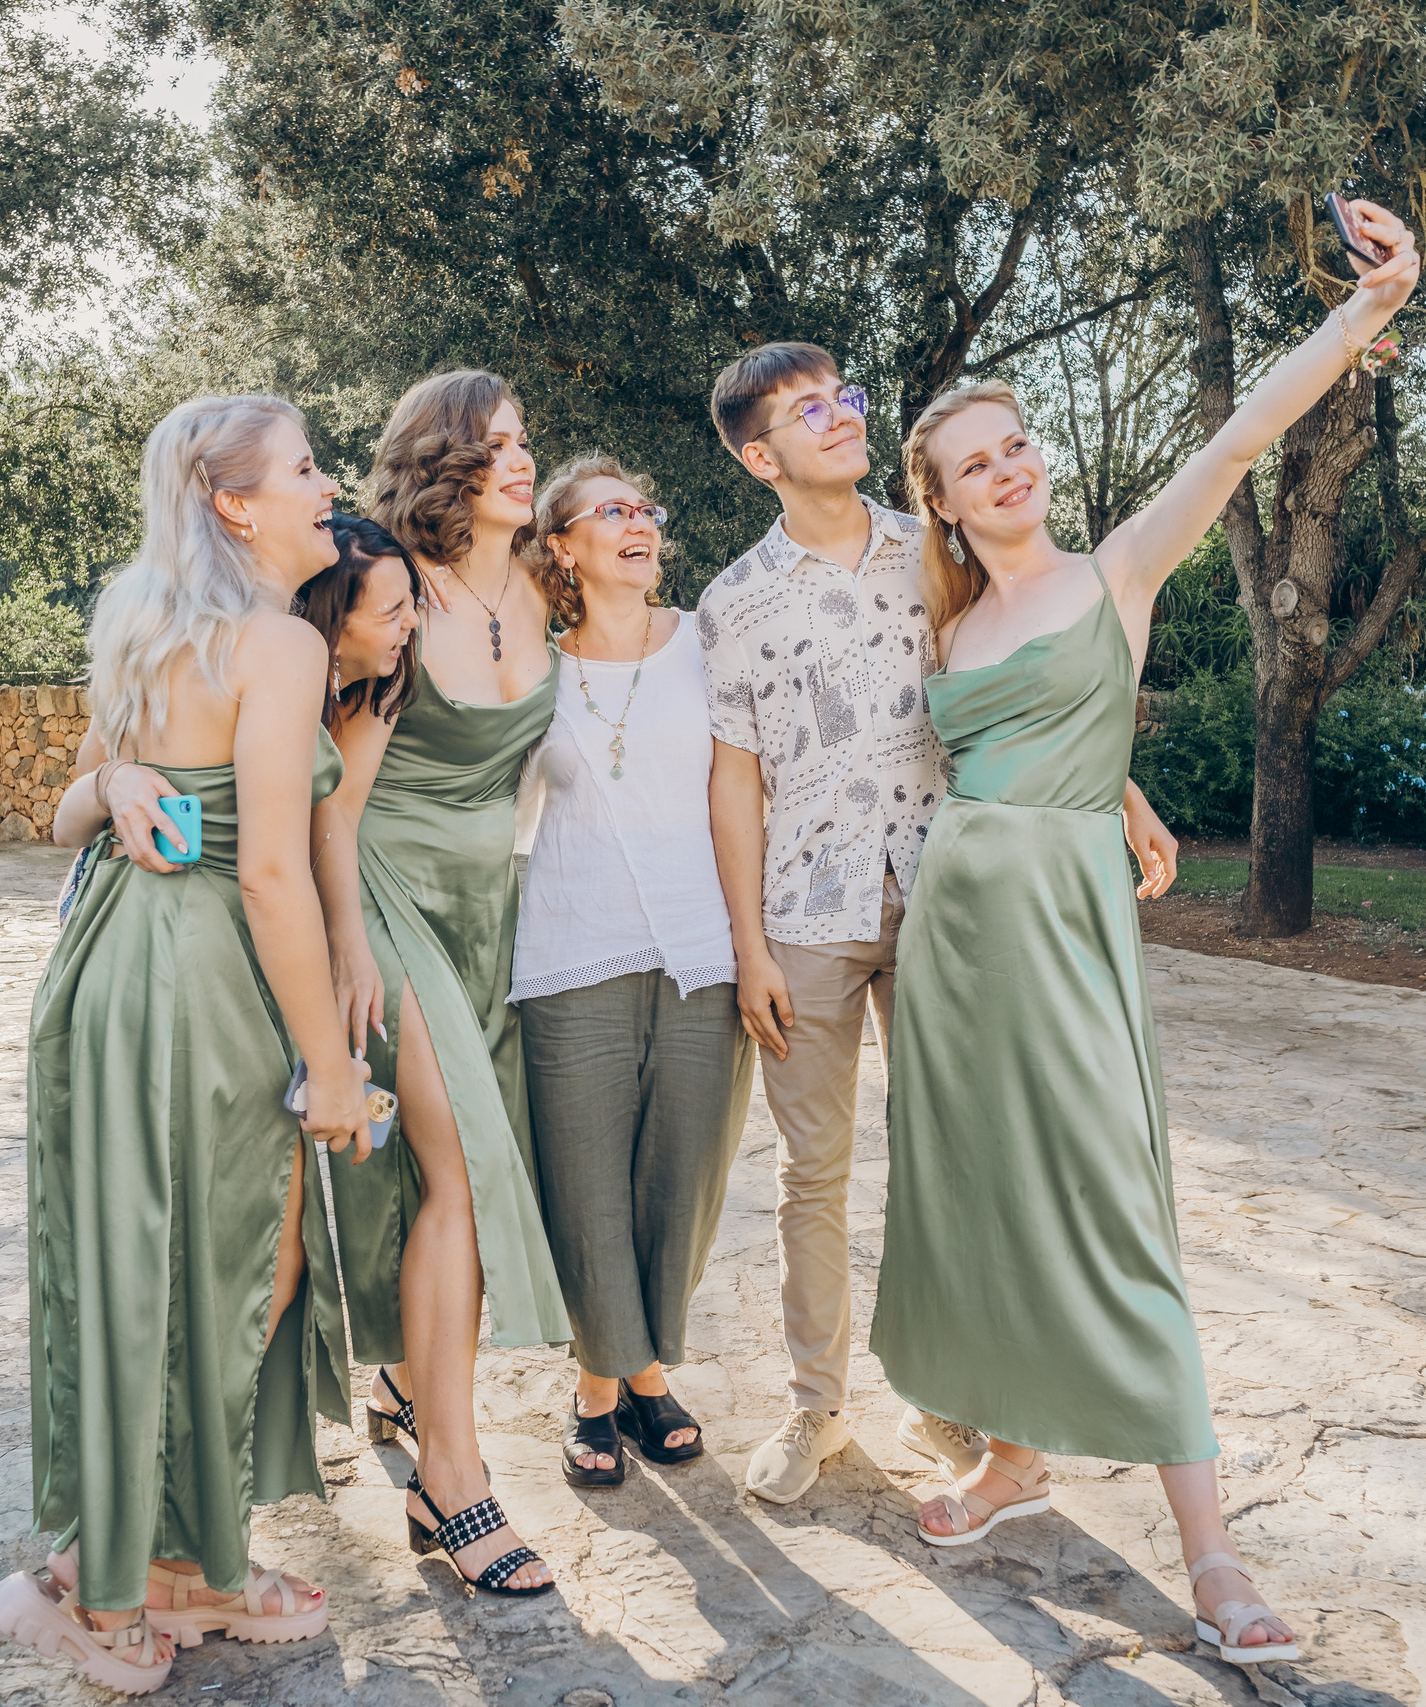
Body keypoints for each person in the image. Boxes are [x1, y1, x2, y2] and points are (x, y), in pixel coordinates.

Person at [873, 198, 1422, 1671]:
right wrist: (1121, 782)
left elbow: (1238, 437)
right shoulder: (941, 631)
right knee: (980, 1201)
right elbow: (1001, 744)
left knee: (1118, 1214)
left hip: (1059, 933)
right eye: (975, 460)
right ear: (941, 498)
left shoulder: (1114, 570)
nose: (1008, 467)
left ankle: (1214, 1548)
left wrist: (1367, 312)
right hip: (956, 939)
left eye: (1016, 442)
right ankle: (1009, 1458)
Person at [696, 344, 1179, 1504]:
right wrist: (749, 946)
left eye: (844, 397)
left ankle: (952, 1400)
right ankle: (816, 1408)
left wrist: (1120, 788)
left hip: (955, 902)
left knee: (961, 1161)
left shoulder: (937, 554)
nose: (841, 418)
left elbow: (1031, 684)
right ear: (760, 456)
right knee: (813, 1172)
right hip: (805, 911)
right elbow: (729, 783)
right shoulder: (733, 603)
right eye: (808, 411)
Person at [0, 394, 371, 1694]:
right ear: (234, 501)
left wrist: (115, 783)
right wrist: (329, 1062)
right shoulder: (271, 644)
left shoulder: (142, 624)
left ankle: (194, 1562)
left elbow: (66, 806)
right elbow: (271, 872)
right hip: (197, 972)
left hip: (107, 969)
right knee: (228, 1265)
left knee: (167, 1264)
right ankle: (96, 1584)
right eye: (309, 467)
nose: (334, 485)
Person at [312, 369, 565, 1596]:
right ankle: (455, 1482)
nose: (521, 461)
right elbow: (336, 804)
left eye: (523, 443)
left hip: (493, 917)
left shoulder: (547, 585)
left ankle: (409, 1388)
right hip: (390, 905)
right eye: (495, 446)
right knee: (461, 1164)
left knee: (439, 1176)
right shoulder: (396, 594)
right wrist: (349, 948)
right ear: (442, 464)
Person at [511, 456, 753, 1489]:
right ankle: (604, 1391)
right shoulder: (528, 664)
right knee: (584, 1184)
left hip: (704, 950)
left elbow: (750, 787)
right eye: (608, 511)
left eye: (645, 508)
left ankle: (644, 1365)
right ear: (560, 546)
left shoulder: (710, 640)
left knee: (681, 1180)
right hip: (570, 948)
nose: (637, 523)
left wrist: (756, 943)